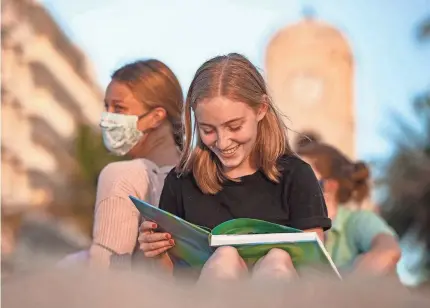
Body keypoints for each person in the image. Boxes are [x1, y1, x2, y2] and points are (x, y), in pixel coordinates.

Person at [138, 53, 331, 281]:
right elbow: (168, 282)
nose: (222, 141)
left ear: (261, 109)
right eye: (208, 130)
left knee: (277, 260)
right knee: (225, 259)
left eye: (234, 126)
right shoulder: (181, 182)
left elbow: (315, 272)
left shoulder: (296, 176)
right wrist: (156, 253)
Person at [86, 59, 184, 269]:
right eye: (107, 106)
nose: (107, 119)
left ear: (156, 117)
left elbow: (104, 272)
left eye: (119, 108)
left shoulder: (122, 175)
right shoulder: (204, 175)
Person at [296, 139, 401, 275]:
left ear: (330, 186)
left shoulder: (359, 220)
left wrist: (347, 287)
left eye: (300, 178)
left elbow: (389, 250)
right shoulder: (293, 229)